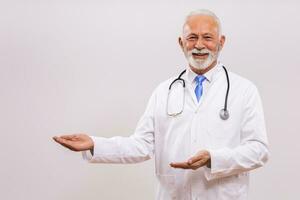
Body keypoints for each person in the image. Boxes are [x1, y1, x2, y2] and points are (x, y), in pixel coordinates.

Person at [53, 9, 269, 200]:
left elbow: (258, 151)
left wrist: (214, 159)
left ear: (221, 42)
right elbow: (142, 145)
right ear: (181, 43)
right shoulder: (164, 91)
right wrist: (94, 144)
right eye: (192, 37)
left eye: (207, 38)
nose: (199, 45)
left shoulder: (244, 90)